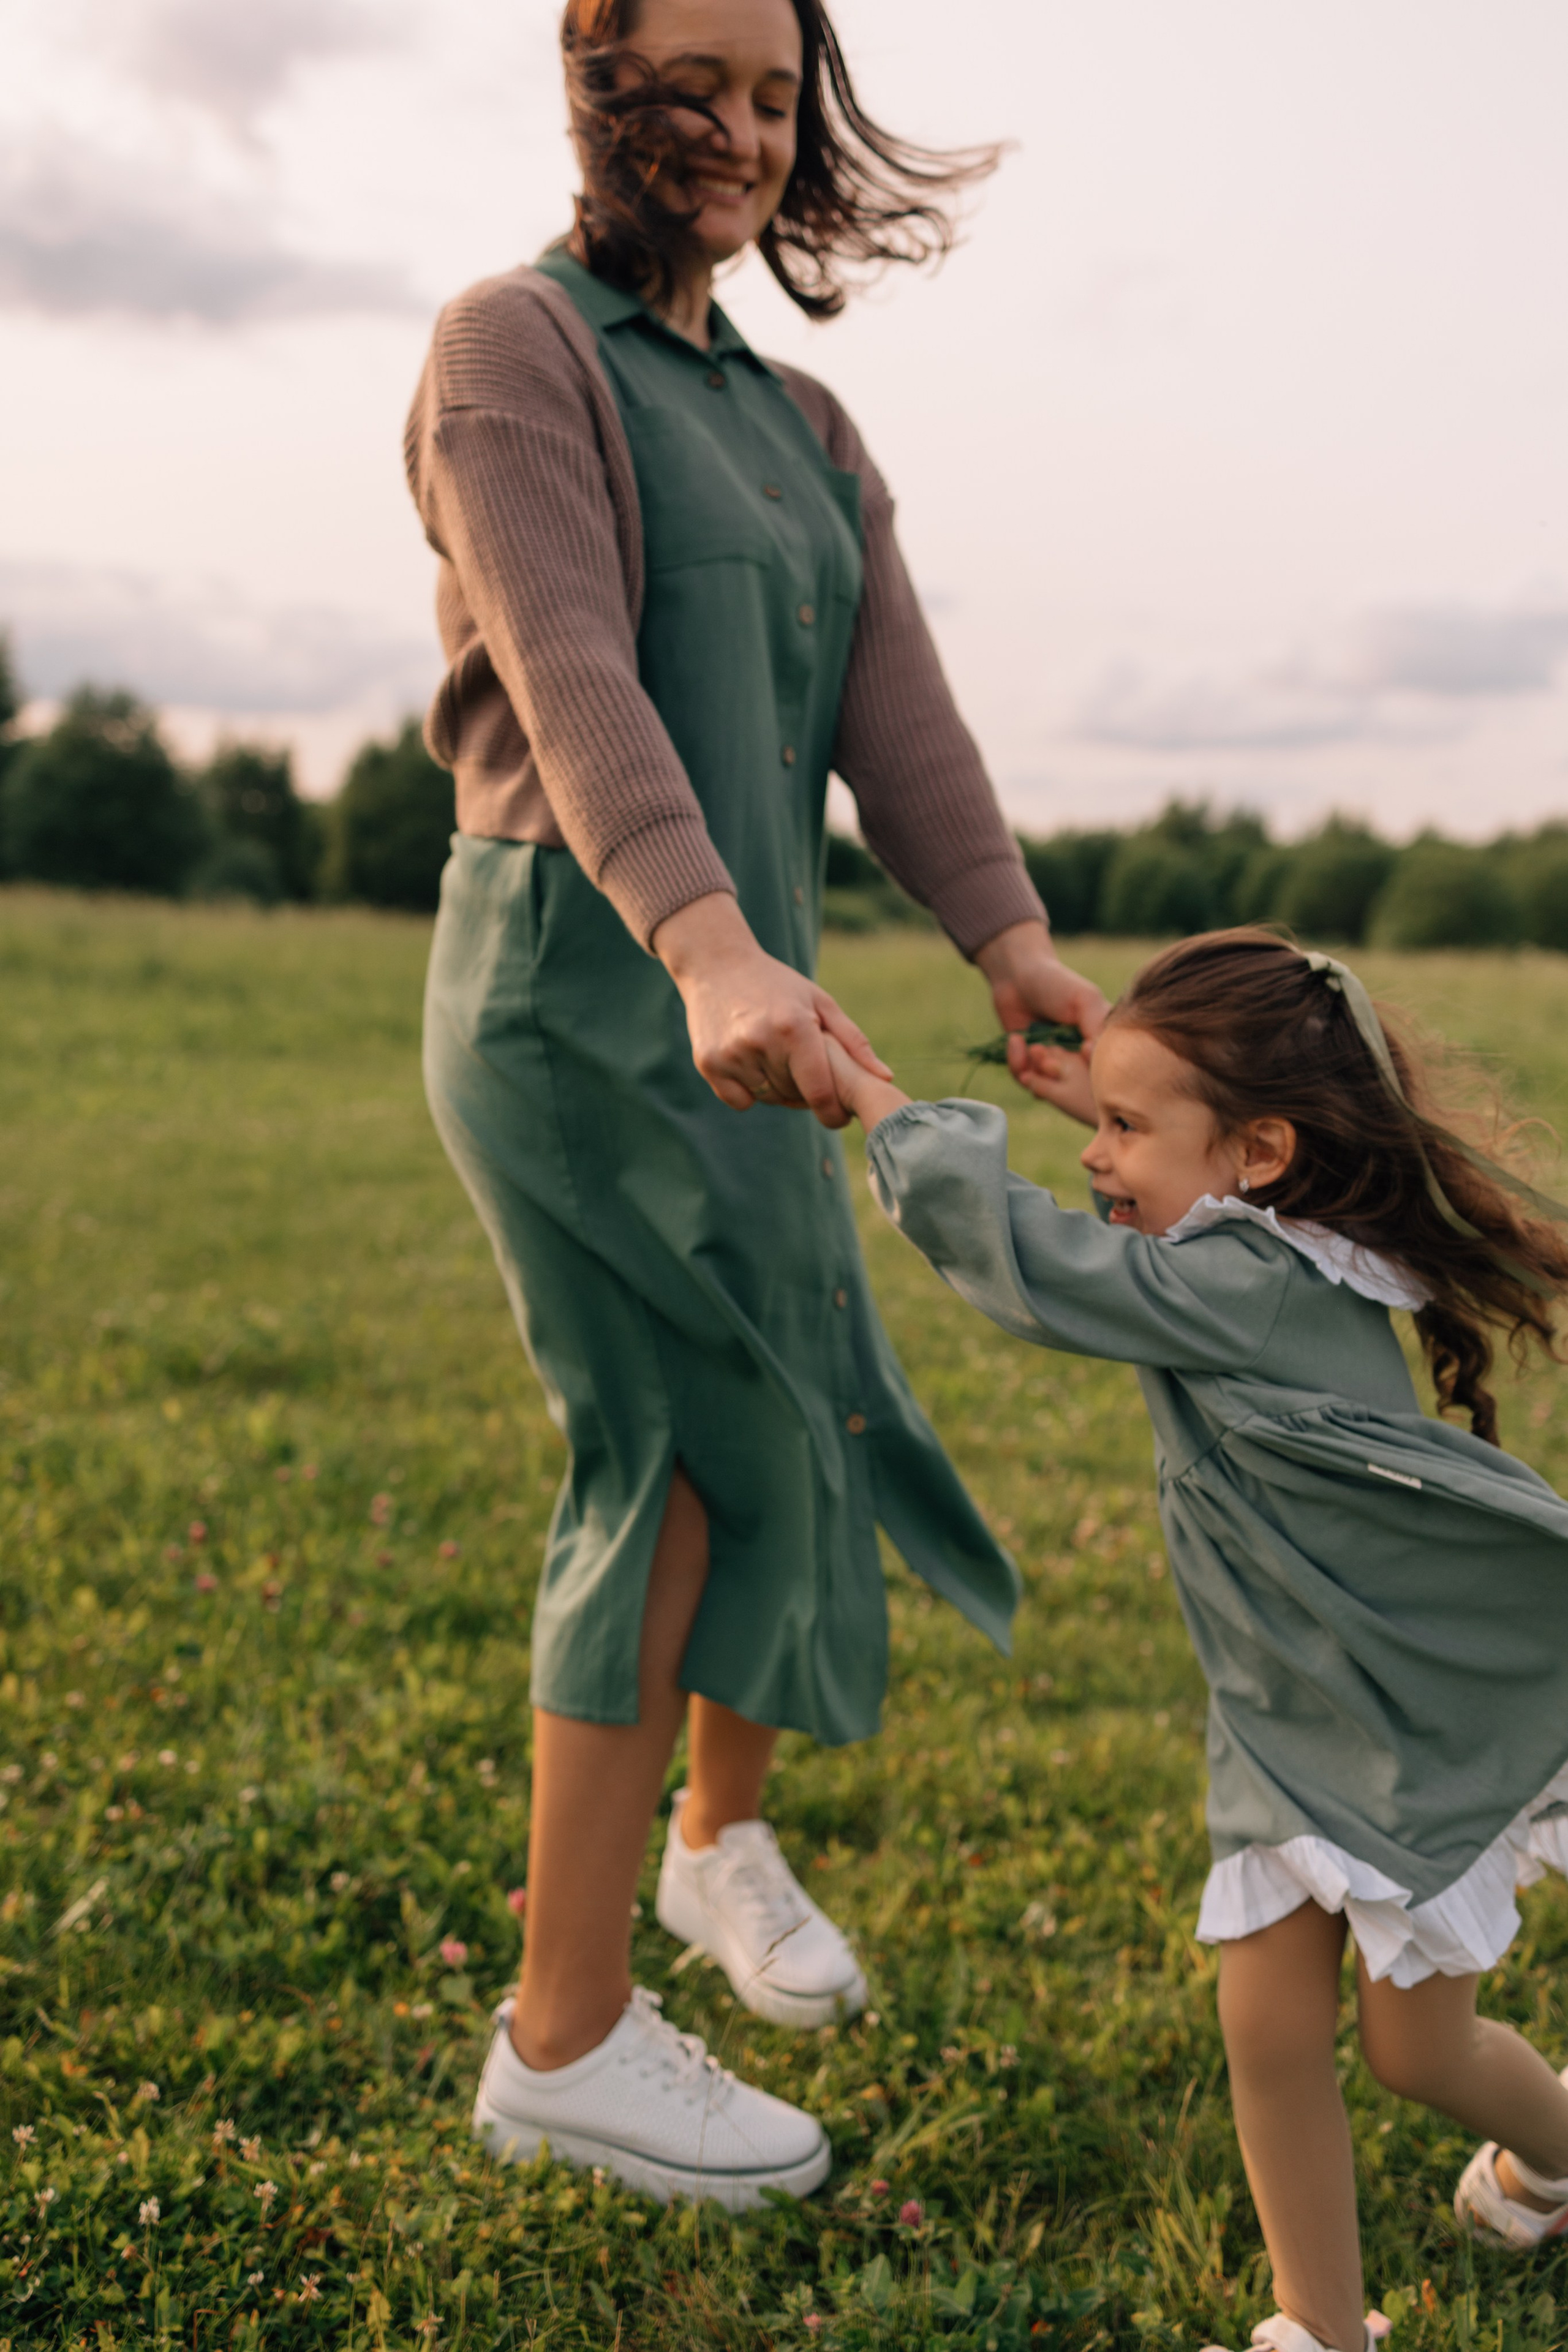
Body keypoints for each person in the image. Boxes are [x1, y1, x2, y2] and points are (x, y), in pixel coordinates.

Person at [404, 0, 1106, 2209]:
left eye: (776, 93)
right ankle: (568, 2040)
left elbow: (899, 711)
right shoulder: (513, 350)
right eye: (686, 82)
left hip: (750, 984)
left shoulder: (800, 415)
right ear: (590, 83)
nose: (735, 128)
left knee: (795, 1395)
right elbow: (569, 659)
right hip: (581, 982)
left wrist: (1009, 945)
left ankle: (723, 1849)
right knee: (680, 1445)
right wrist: (704, 943)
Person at [822, 928, 1568, 2352]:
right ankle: (1320, 2328)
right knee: (1268, 2036)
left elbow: (1038, 1268)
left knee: (1417, 2055)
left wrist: (877, 1103)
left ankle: (1553, 2156)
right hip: (1279, 1710)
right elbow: (1176, 1191)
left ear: (1259, 1155)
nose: (1098, 1159)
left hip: (1387, 1718)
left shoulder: (1250, 1285)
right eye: (1096, 1125)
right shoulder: (1266, 1237)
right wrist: (1115, 1113)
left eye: (1122, 1129)